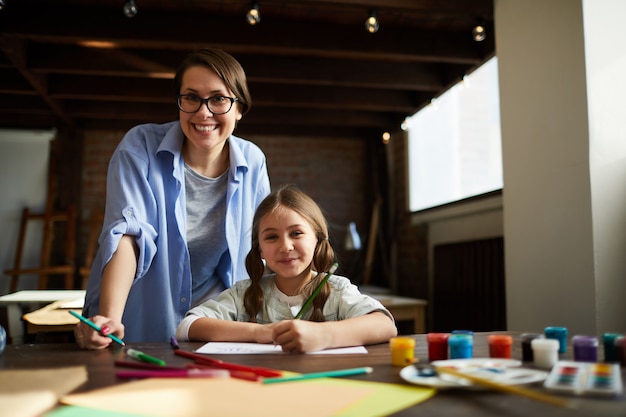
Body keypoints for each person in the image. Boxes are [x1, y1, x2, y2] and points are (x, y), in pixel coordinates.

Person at [76, 48, 271, 349]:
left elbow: (262, 244)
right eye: (191, 97)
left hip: (216, 325)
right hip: (139, 321)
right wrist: (110, 317)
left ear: (239, 108)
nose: (203, 112)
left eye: (219, 99)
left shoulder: (253, 161)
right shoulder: (139, 148)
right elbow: (128, 235)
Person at [176, 184, 397, 353]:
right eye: (272, 237)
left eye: (296, 233)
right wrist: (262, 332)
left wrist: (322, 336)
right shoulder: (243, 293)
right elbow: (187, 326)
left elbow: (385, 325)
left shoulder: (337, 290)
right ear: (260, 249)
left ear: (318, 241)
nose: (285, 246)